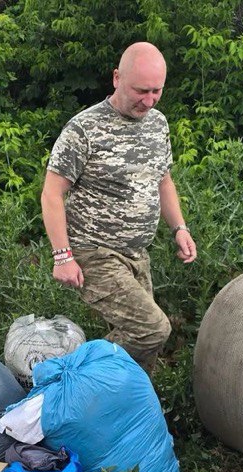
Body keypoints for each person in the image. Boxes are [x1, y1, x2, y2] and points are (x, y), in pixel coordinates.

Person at [40, 42, 197, 374]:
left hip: (138, 254)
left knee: (145, 355)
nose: (149, 100)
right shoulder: (84, 129)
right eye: (141, 91)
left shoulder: (158, 124)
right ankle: (67, 375)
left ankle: (123, 415)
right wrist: (62, 256)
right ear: (116, 78)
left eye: (157, 91)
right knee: (153, 328)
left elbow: (163, 180)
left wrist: (179, 228)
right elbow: (52, 194)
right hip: (94, 252)